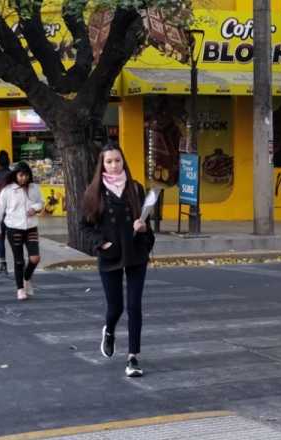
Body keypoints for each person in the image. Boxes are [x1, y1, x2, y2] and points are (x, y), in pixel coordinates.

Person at [80, 144, 155, 378]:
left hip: (135, 253)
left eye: (118, 161)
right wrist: (101, 243)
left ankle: (133, 357)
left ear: (124, 162)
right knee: (116, 307)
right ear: (102, 164)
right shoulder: (94, 192)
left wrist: (141, 227)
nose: (114, 165)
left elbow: (147, 224)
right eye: (109, 161)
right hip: (110, 255)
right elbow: (84, 226)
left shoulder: (136, 188)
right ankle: (109, 330)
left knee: (134, 306)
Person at [0, 162, 43, 301]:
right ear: (15, 175)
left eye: (26, 175)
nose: (23, 178)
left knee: (35, 258)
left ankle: (27, 279)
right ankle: (20, 288)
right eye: (21, 175)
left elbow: (41, 202)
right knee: (19, 260)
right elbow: (0, 210)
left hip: (31, 227)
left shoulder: (34, 188)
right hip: (14, 228)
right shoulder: (7, 190)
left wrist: (35, 208)